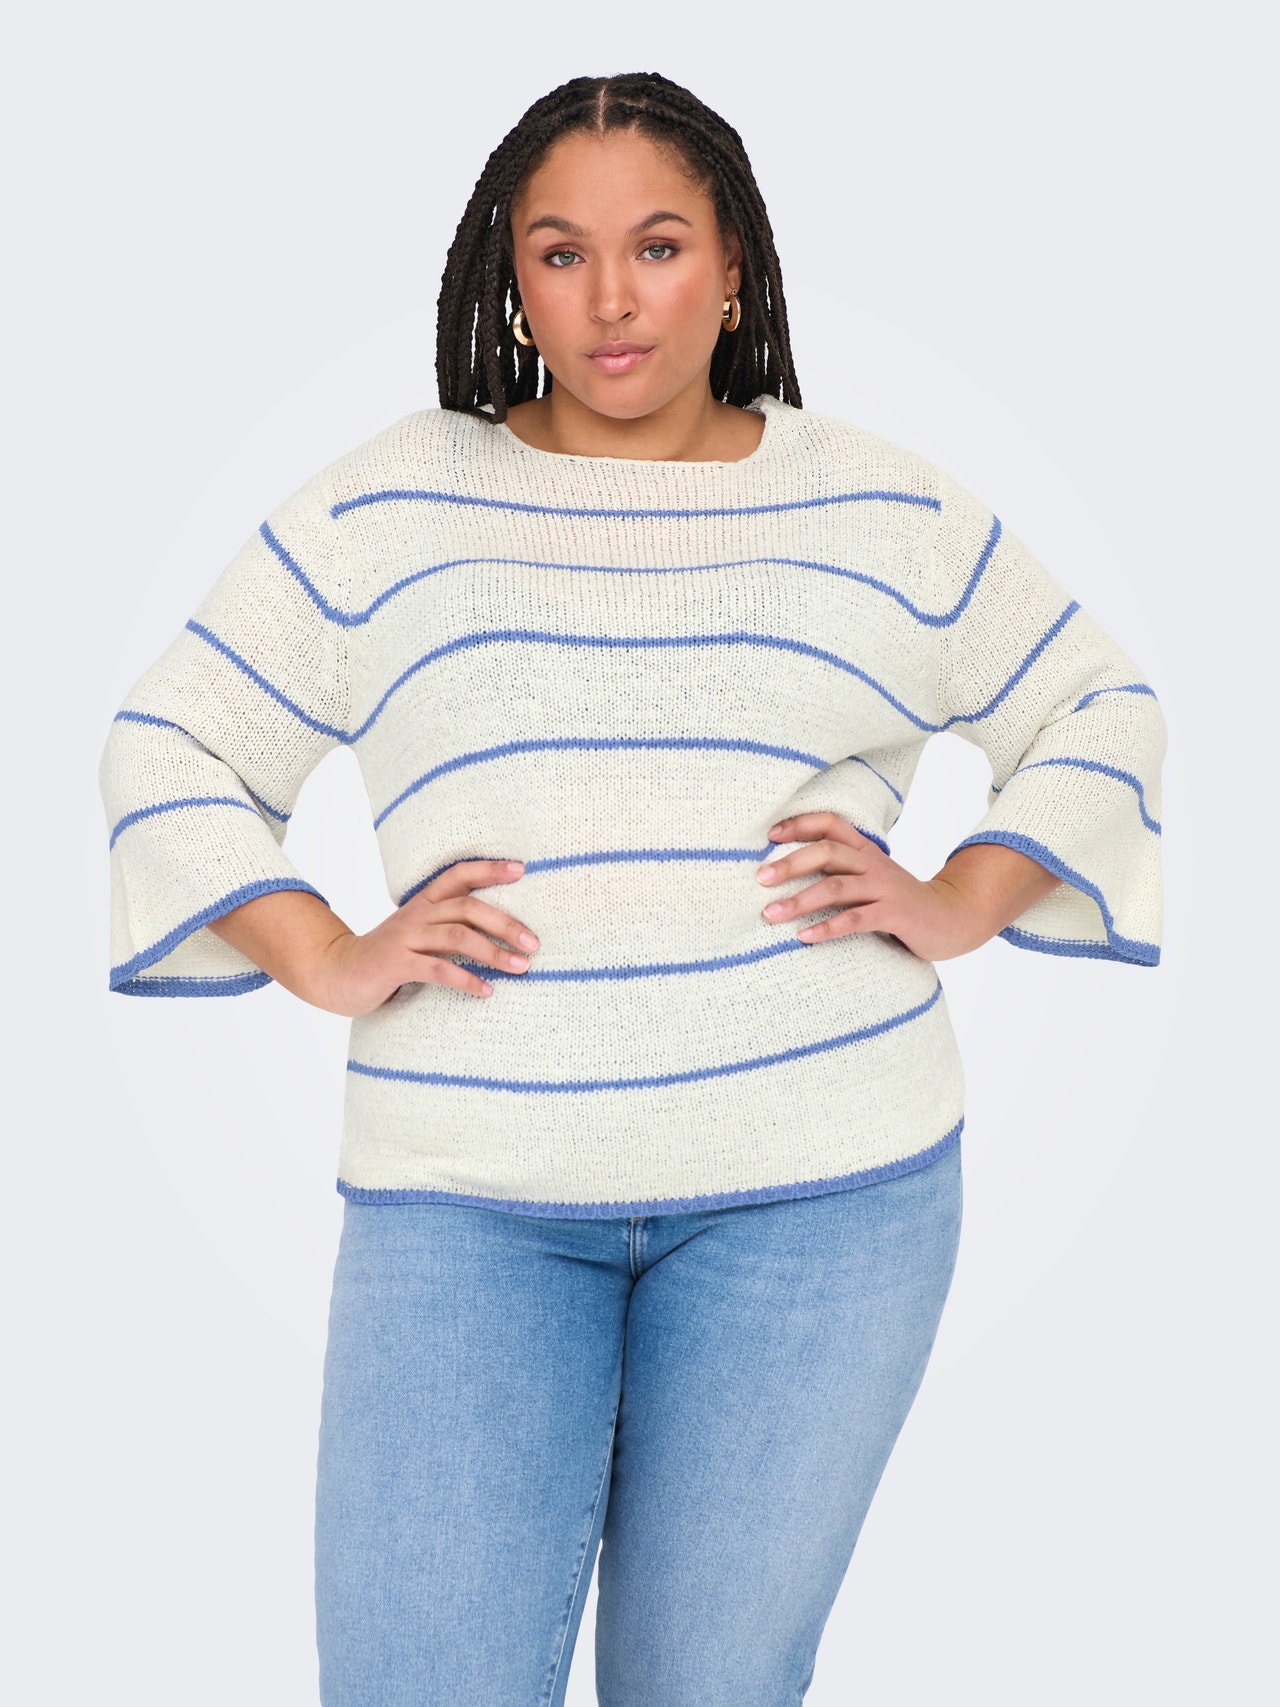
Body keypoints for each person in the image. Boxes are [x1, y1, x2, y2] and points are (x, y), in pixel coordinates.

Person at [99, 71, 1165, 1707]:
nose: (611, 298)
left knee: (708, 1688)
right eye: (561, 253)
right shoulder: (393, 503)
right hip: (468, 1197)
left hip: (825, 1197)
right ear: (509, 279)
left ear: (732, 268)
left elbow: (1101, 707)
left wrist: (959, 897)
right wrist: (324, 950)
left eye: (658, 246)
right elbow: (172, 741)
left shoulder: (879, 505)